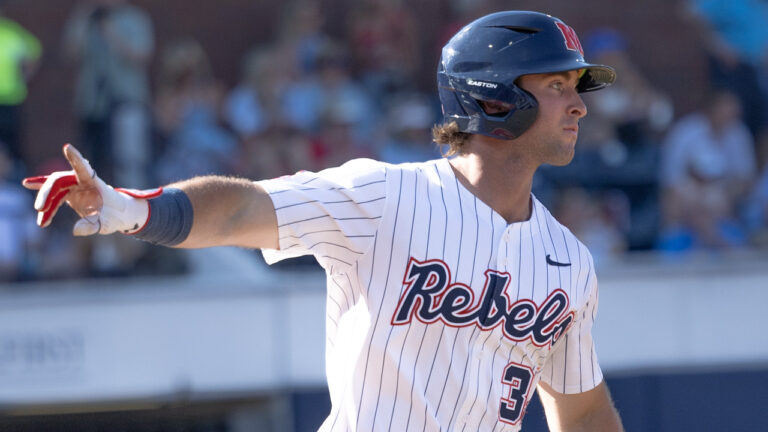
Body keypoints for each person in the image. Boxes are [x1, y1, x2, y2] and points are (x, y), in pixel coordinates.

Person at [23, 11, 623, 431]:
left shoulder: (567, 260)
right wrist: (134, 209)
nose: (578, 103)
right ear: (493, 97)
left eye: (576, 87)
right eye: (556, 84)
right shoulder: (387, 195)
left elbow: (584, 410)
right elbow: (242, 206)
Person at [0, 7, 41, 173]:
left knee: (12, 146)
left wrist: (25, 78)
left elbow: (34, 52)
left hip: (11, 99)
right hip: (11, 98)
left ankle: (16, 183)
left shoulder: (11, 31)